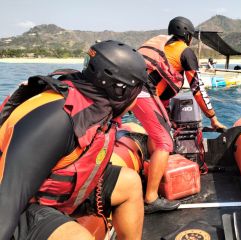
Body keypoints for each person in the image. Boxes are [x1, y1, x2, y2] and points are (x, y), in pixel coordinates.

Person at [0, 40, 148, 240]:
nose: (137, 99)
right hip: (16, 202)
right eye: (137, 91)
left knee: (129, 183)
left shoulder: (98, 107)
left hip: (53, 190)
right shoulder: (57, 119)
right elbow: (8, 196)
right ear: (120, 90)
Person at [133, 16, 227, 214]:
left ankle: (154, 178)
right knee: (164, 142)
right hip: (144, 95)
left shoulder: (162, 45)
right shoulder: (185, 52)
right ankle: (150, 198)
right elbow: (197, 89)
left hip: (133, 93)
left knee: (157, 135)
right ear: (188, 35)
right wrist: (213, 118)